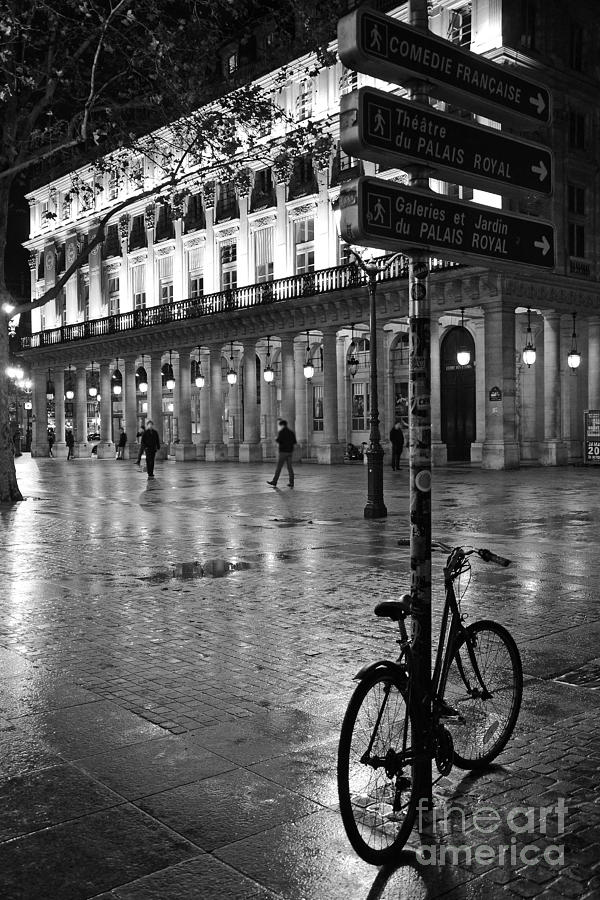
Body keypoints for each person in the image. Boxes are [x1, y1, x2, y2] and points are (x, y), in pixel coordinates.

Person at [267, 419, 297, 488]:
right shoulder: (291, 432)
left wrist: (276, 438)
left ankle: (274, 481)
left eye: (280, 425)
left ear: (282, 425)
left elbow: (279, 440)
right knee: (290, 468)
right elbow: (294, 442)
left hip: (283, 452)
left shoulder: (281, 432)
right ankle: (291, 482)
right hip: (289, 452)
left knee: (279, 467)